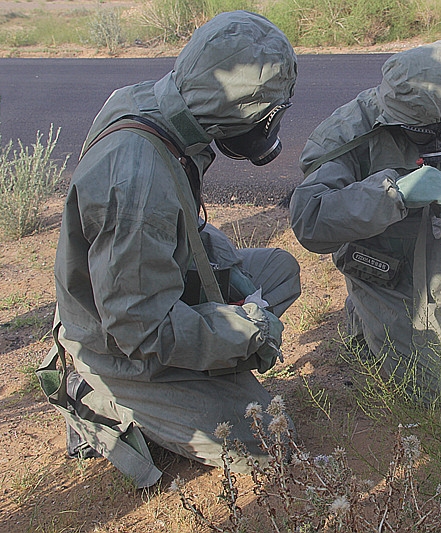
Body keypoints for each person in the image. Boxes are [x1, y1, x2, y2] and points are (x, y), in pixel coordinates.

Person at [37, 11, 300, 488]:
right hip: (117, 345)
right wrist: (243, 333)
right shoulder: (136, 178)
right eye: (267, 114)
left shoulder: (162, 105)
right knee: (271, 438)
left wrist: (229, 276)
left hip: (152, 289)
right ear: (242, 110)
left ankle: (205, 373)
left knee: (277, 271)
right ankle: (94, 393)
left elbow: (183, 222)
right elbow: (138, 327)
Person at [289, 41, 441, 405]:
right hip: (388, 260)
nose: (438, 141)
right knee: (438, 396)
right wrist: (393, 196)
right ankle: (365, 318)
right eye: (423, 133)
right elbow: (309, 220)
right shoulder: (348, 132)